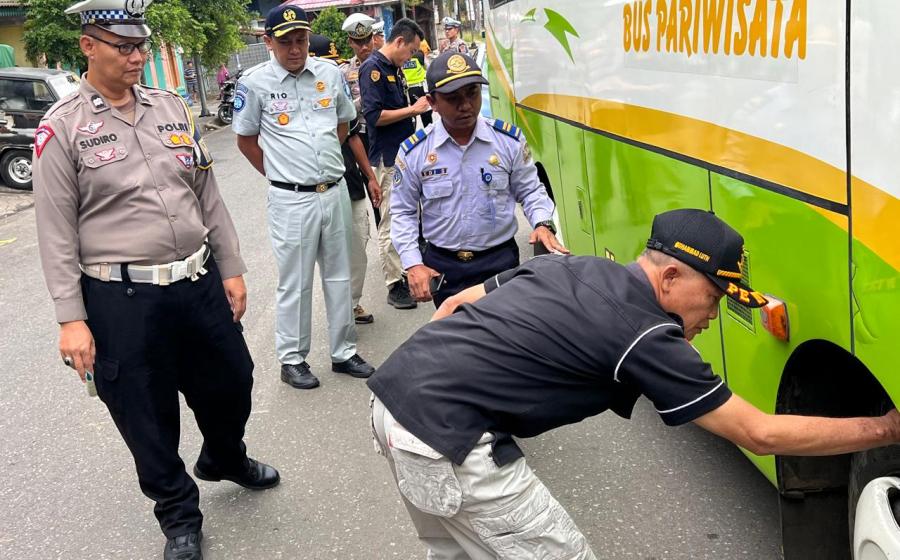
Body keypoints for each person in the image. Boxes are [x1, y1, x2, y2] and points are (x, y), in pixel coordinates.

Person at [368, 208, 900, 559]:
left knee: (462, 552)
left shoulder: (569, 266)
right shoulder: (646, 334)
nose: (714, 315)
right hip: (447, 440)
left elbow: (458, 303)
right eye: (714, 298)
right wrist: (885, 428)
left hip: (393, 399)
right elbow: (760, 434)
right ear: (670, 279)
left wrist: (436, 381)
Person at [32, 1, 279, 559]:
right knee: (146, 412)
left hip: (197, 282)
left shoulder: (172, 109)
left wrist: (232, 268)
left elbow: (206, 194)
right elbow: (53, 233)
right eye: (124, 46)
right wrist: (71, 319)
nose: (138, 55)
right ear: (88, 46)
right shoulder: (62, 128)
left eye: (141, 44)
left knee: (233, 380)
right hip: (121, 299)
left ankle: (224, 456)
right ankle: (178, 514)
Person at [232, 5, 376, 390]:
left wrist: (321, 168)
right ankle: (293, 359)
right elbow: (246, 142)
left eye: (301, 40)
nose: (296, 49)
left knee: (340, 275)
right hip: (291, 200)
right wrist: (283, 174)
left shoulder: (329, 74)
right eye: (286, 42)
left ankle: (344, 351)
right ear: (268, 42)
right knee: (294, 282)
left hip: (333, 191)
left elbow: (343, 124)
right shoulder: (255, 83)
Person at [392, 51, 565, 308]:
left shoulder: (508, 142)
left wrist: (542, 223)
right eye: (453, 98)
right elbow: (403, 212)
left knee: (505, 340)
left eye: (472, 93)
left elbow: (530, 191)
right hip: (445, 269)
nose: (466, 105)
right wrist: (413, 263)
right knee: (455, 343)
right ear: (432, 102)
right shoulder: (415, 152)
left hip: (499, 263)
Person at [310, 33, 382, 325]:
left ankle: (351, 304)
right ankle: (339, 311)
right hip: (312, 190)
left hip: (348, 182)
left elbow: (352, 135)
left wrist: (370, 177)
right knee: (328, 255)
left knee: (357, 246)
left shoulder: (333, 97)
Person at [359, 17, 431, 310]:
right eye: (411, 51)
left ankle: (407, 267)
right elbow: (374, 116)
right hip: (387, 157)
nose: (411, 57)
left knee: (409, 214)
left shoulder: (393, 69)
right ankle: (394, 283)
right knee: (390, 219)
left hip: (403, 153)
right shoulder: (373, 69)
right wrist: (412, 110)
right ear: (399, 42)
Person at [401, 48, 431, 127]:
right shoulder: (420, 53)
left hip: (406, 91)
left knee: (410, 119)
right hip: (420, 89)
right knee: (426, 118)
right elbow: (429, 68)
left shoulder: (401, 54)